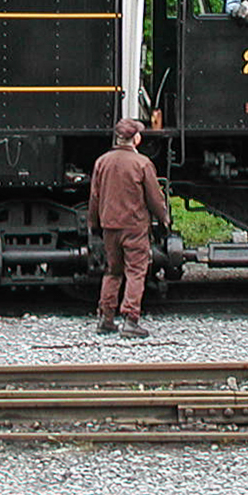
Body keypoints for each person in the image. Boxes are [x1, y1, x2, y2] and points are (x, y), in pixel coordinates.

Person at [88, 117, 171, 337]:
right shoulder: (142, 163)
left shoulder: (102, 162)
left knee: (112, 271)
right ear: (135, 138)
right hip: (134, 227)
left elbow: (94, 197)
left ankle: (105, 318)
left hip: (109, 226)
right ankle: (130, 320)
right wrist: (164, 217)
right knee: (135, 271)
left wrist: (94, 224)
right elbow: (154, 198)